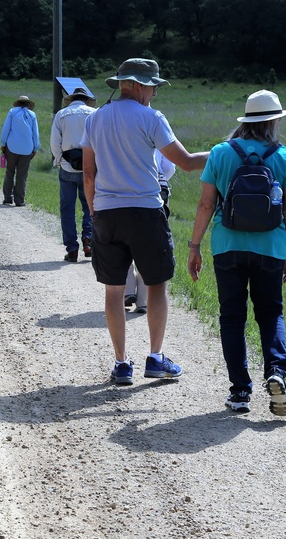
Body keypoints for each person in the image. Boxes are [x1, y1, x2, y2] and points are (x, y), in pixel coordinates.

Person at [81, 58, 208, 385]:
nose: (154, 93)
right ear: (138, 85)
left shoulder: (94, 119)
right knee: (156, 284)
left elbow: (88, 173)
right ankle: (155, 357)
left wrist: (96, 213)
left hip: (107, 213)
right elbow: (188, 163)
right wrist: (226, 152)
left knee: (113, 290)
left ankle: (122, 364)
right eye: (153, 86)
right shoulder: (152, 118)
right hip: (145, 212)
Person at [188, 90, 286, 416]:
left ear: (246, 120)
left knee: (232, 317)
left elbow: (207, 203)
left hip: (228, 247)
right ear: (275, 120)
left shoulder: (221, 153)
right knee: (271, 314)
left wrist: (194, 246)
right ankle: (276, 373)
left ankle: (239, 392)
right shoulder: (284, 156)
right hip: (270, 248)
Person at [125, 149, 176, 312]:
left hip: (125, 187)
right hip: (156, 189)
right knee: (149, 244)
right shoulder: (156, 125)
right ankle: (143, 300)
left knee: (125, 240)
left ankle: (127, 289)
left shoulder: (116, 126)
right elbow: (169, 167)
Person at [51, 87, 95, 261]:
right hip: (89, 168)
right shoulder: (94, 114)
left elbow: (55, 142)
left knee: (67, 208)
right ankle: (88, 241)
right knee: (90, 207)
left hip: (68, 167)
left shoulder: (61, 114)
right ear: (86, 100)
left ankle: (72, 248)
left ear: (71, 99)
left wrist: (59, 160)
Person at [0, 95, 40, 207]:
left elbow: (6, 129)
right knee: (22, 175)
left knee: (10, 172)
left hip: (12, 146)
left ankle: (8, 198)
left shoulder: (12, 112)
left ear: (18, 103)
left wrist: (3, 143)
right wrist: (35, 148)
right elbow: (35, 133)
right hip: (27, 148)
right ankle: (19, 200)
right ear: (28, 105)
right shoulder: (32, 115)